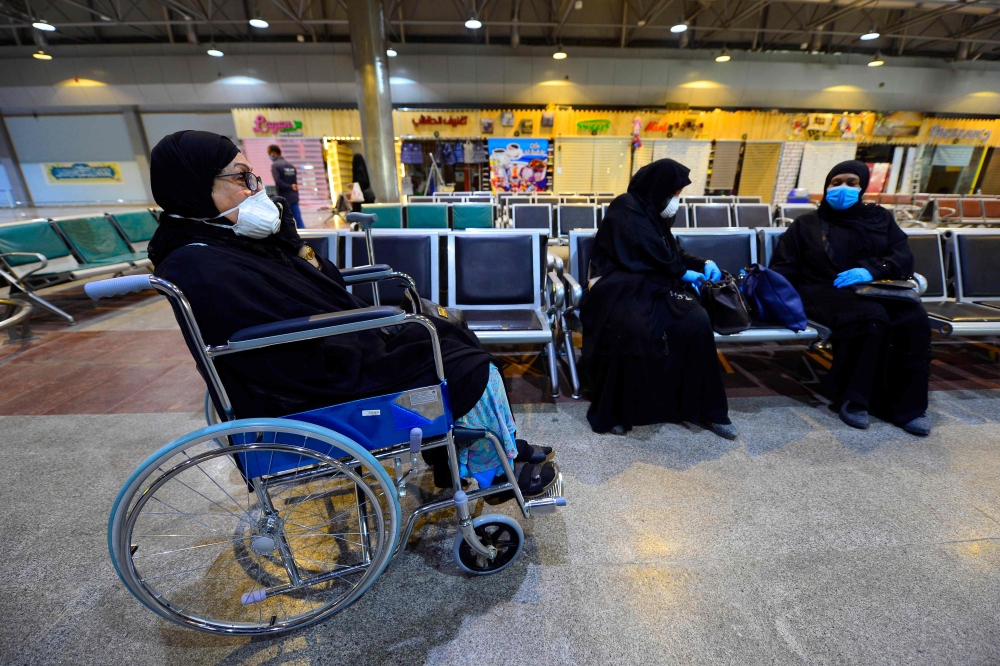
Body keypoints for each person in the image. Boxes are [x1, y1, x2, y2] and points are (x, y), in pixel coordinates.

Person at [147, 130, 556, 496]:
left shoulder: (226, 243)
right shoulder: (197, 265)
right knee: (458, 358)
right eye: (242, 178)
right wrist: (369, 333)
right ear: (196, 187)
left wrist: (290, 246)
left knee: (444, 328)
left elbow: (326, 287)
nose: (256, 189)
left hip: (317, 352)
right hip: (308, 381)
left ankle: (484, 455)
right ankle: (493, 470)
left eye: (253, 177)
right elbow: (272, 336)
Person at [770, 160, 931, 436]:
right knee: (870, 318)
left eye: (851, 183)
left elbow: (902, 256)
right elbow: (783, 269)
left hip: (877, 286)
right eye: (836, 182)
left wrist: (870, 269)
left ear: (863, 187)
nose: (843, 188)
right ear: (826, 186)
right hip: (821, 289)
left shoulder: (880, 219)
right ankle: (854, 398)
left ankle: (908, 406)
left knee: (914, 319)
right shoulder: (806, 224)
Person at [579, 158, 735, 439]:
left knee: (696, 322)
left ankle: (708, 410)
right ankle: (613, 410)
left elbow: (671, 252)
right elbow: (644, 249)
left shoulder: (657, 215)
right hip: (618, 284)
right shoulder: (625, 205)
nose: (676, 200)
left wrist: (702, 263)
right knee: (631, 328)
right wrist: (681, 272)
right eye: (675, 193)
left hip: (655, 284)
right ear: (659, 187)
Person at [267, 145, 304, 229]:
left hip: (284, 198)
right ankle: (304, 239)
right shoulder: (290, 165)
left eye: (269, 153)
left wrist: (289, 187)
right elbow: (294, 183)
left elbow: (278, 182)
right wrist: (292, 187)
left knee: (285, 223)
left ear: (273, 153)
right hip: (294, 196)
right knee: (299, 220)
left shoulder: (275, 165)